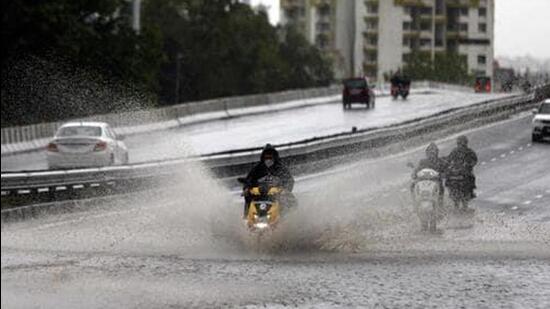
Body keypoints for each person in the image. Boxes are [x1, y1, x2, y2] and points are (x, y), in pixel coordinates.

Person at [242, 144, 295, 218]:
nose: (268, 159)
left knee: (290, 200)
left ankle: (286, 218)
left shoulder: (281, 168)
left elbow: (289, 180)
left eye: (270, 157)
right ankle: (247, 217)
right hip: (260, 195)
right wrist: (246, 188)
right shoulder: (257, 168)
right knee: (247, 196)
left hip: (277, 195)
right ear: (262, 157)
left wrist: (286, 190)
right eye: (266, 157)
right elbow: (249, 179)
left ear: (275, 157)